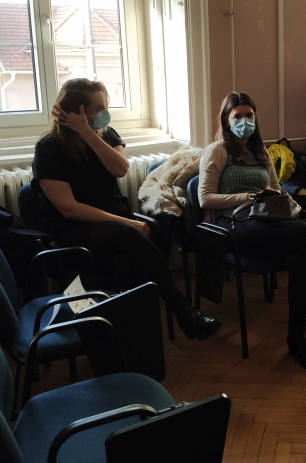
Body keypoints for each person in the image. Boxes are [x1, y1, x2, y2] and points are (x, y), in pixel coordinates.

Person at [198, 92, 306, 372]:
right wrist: (249, 197)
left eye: (249, 115)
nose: (244, 121)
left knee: (300, 258)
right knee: (304, 234)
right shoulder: (217, 151)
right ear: (226, 120)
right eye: (237, 117)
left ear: (256, 118)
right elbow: (205, 198)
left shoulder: (261, 151)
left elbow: (276, 190)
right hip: (231, 227)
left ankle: (297, 339)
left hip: (263, 222)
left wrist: (277, 200)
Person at [32, 78, 221, 341]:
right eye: (98, 108)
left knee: (157, 227)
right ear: (77, 112)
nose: (105, 113)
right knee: (128, 233)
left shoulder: (106, 134)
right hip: (72, 229)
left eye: (105, 106)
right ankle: (185, 313)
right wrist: (126, 223)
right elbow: (69, 209)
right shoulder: (49, 148)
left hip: (110, 224)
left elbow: (120, 168)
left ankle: (139, 313)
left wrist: (88, 133)